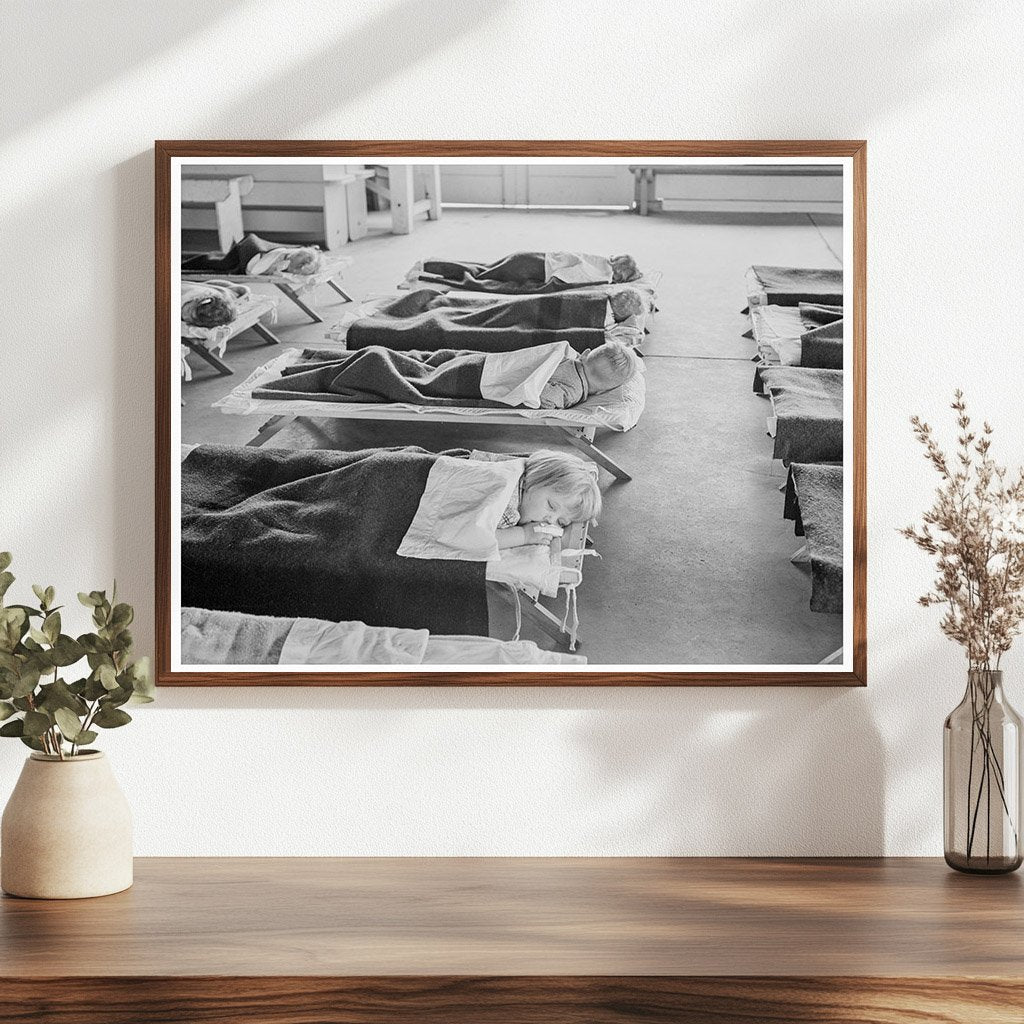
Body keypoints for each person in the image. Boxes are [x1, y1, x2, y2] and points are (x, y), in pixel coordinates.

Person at [496, 450, 601, 550]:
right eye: (551, 506)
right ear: (527, 481)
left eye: (560, 523)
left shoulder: (514, 464)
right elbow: (482, 540)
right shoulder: (507, 511)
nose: (550, 521)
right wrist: (524, 535)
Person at [411, 251, 642, 294]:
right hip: (531, 269)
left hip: (529, 257)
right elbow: (564, 280)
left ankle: (429, 265)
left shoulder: (599, 259)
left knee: (483, 269)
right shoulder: (601, 273)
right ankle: (427, 272)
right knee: (480, 278)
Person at [538, 341, 637, 410]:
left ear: (584, 354)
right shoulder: (573, 392)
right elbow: (544, 398)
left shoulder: (567, 357)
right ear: (602, 391)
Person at [182, 232, 323, 277]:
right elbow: (252, 271)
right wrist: (273, 270)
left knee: (217, 260)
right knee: (220, 264)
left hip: (254, 252)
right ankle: (184, 264)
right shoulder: (283, 256)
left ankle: (188, 260)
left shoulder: (294, 256)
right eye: (294, 269)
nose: (291, 272)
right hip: (249, 250)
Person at [180, 280, 250, 328]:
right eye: (188, 309)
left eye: (190, 320)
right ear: (196, 300)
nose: (185, 316)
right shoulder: (191, 295)